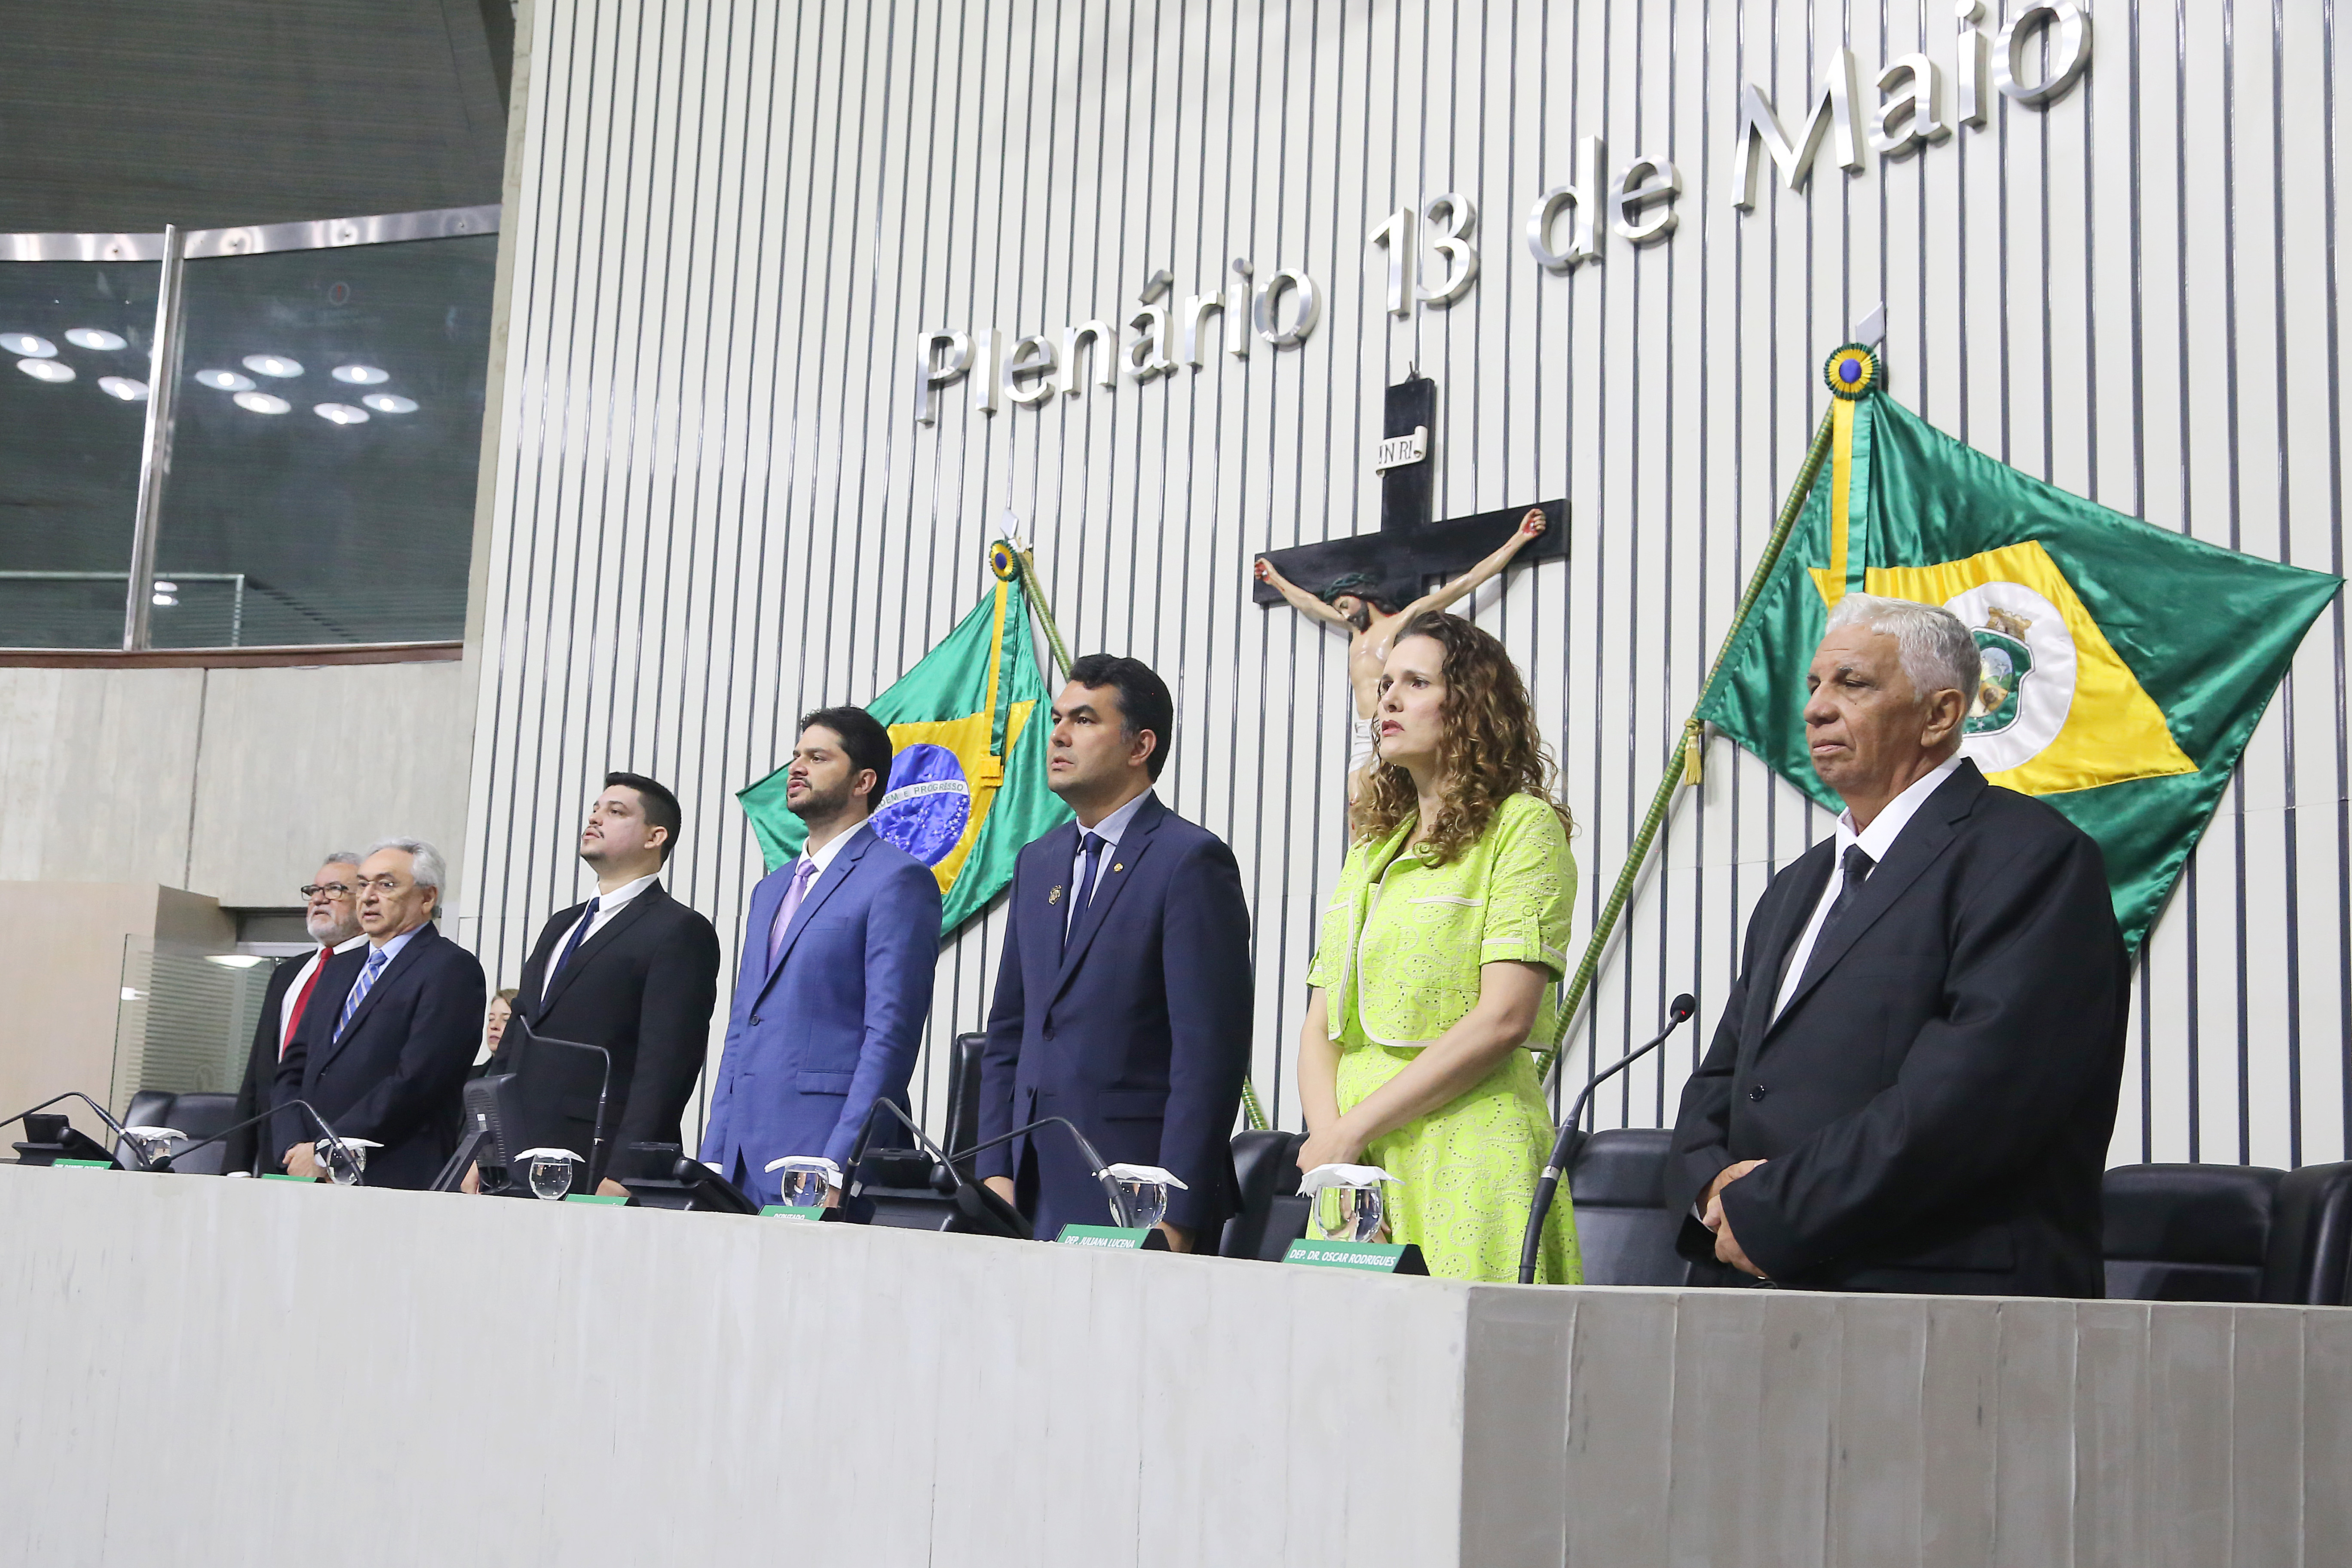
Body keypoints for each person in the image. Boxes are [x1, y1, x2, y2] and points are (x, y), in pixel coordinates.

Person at [1668, 594, 2128, 1296]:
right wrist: (1710, 1188)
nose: (1816, 708)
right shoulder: (1797, 886)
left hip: (1941, 1298)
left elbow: (1967, 1104)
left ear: (1939, 714)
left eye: (1851, 683)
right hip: (1765, 1284)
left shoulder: (2032, 859)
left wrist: (1768, 1211)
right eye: (1813, 685)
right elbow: (1724, 1078)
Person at [1294, 612, 1581, 1283]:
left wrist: (1350, 1132)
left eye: (1416, 683)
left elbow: (1504, 1018)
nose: (1388, 699)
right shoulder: (1372, 847)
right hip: (1356, 1165)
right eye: (1386, 684)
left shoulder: (1523, 827)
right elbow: (1320, 1025)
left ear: (1473, 707)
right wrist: (1337, 1158)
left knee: (1469, 1343)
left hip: (1471, 1152)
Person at [976, 655, 1253, 1249]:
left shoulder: (1189, 861)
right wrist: (994, 1169)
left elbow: (1208, 1057)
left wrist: (1174, 1215)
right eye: (1058, 719)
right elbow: (1011, 1031)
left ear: (1140, 746)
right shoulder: (1038, 861)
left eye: (1084, 720)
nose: (1059, 735)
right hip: (1027, 1186)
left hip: (1137, 1190)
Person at [699, 709, 941, 1207]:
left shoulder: (897, 879)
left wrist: (840, 1163)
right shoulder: (770, 890)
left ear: (863, 782)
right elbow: (743, 1026)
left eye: (817, 757)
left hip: (824, 1155)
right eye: (796, 756)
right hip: (743, 1156)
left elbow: (890, 1035)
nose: (797, 768)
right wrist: (715, 1154)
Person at [481, 773, 721, 1194]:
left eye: (616, 812)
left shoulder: (679, 930)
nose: (595, 818)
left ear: (655, 837)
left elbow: (667, 1066)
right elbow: (516, 1039)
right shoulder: (561, 925)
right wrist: (481, 1148)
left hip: (598, 1155)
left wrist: (627, 1169)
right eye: (595, 809)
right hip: (517, 1152)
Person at [1254, 506, 1548, 798]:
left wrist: (1519, 538)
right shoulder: (1355, 632)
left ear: (1363, 597)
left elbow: (1467, 582)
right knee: (1357, 801)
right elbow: (1308, 603)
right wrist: (1273, 579)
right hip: (1368, 728)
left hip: (1403, 725)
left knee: (1394, 798)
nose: (1342, 614)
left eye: (1344, 605)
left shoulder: (1400, 624)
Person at [273, 838, 485, 1189]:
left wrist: (329, 1150)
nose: (368, 897)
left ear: (427, 897)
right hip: (308, 1171)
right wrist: (294, 1145)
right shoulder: (339, 968)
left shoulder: (450, 969)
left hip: (391, 1173)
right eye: (363, 885)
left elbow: (417, 1082)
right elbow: (294, 1067)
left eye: (386, 885)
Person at [223, 855, 368, 1175]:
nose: (319, 899)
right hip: (273, 1145)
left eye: (335, 890)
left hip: (333, 1151)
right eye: (314, 891)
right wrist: (237, 1164)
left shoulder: (373, 972)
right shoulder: (288, 973)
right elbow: (259, 1072)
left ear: (365, 900)